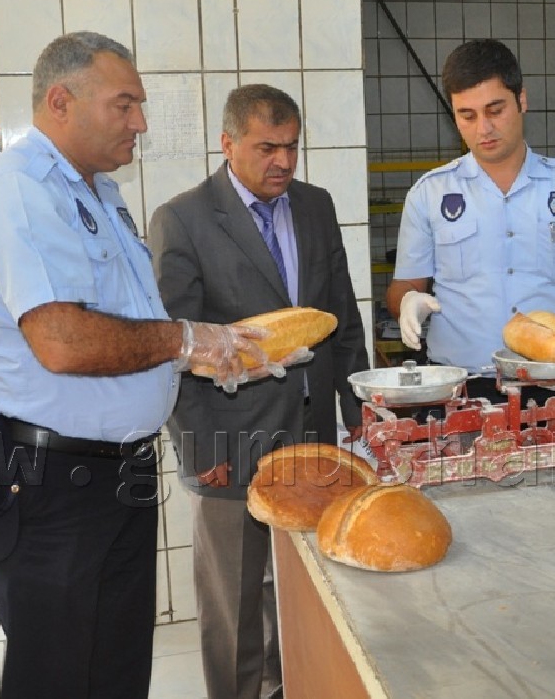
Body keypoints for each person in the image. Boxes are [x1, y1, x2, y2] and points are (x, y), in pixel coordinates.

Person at [0, 31, 271, 698]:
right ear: (61, 101)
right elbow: (63, 341)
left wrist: (207, 357)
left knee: (116, 668)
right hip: (49, 484)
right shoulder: (17, 190)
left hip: (115, 471)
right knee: (60, 676)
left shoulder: (96, 193)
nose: (141, 123)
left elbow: (125, 328)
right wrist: (187, 341)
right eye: (124, 105)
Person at [148, 83, 369, 699]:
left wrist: (360, 413)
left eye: (292, 147)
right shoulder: (183, 219)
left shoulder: (316, 206)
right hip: (229, 439)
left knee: (310, 584)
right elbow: (173, 346)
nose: (283, 162)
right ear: (228, 144)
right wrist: (199, 451)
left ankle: (292, 684)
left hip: (312, 433)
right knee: (237, 597)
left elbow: (342, 318)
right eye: (267, 147)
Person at [386, 38, 555, 386]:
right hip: (459, 385)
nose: (483, 128)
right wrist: (408, 301)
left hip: (552, 382)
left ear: (521, 100)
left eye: (495, 110)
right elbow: (405, 283)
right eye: (467, 115)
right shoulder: (431, 193)